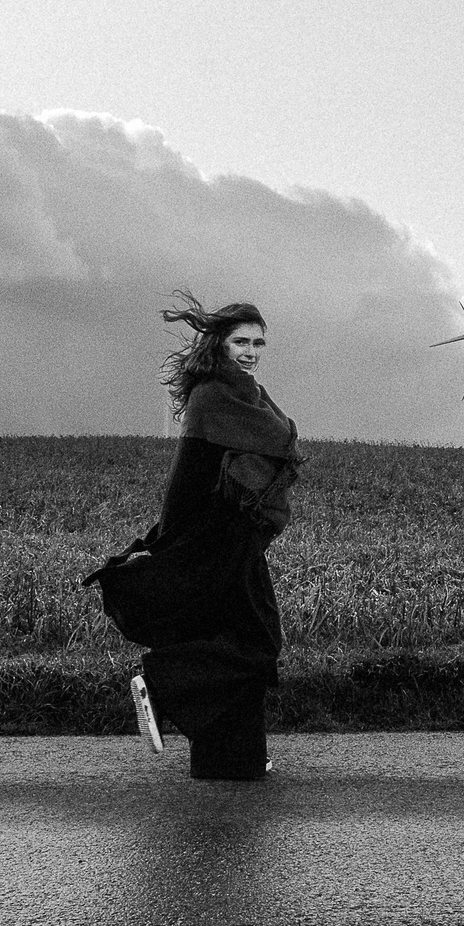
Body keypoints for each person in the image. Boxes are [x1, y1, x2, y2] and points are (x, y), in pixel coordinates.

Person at [90, 293, 303, 781]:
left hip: (239, 534)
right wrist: (166, 539)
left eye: (258, 342)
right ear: (219, 345)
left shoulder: (247, 393)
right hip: (217, 536)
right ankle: (162, 681)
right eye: (240, 342)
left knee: (231, 635)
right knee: (259, 639)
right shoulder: (214, 397)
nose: (250, 351)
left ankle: (231, 760)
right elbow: (263, 446)